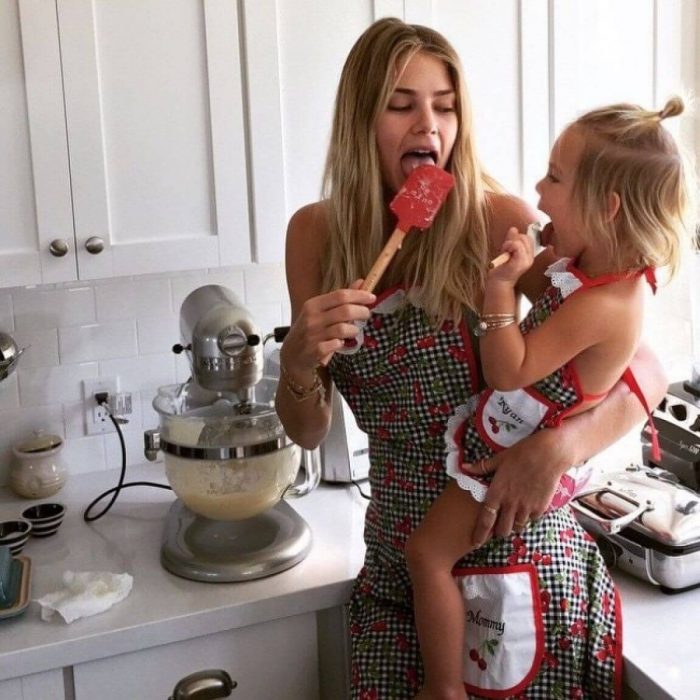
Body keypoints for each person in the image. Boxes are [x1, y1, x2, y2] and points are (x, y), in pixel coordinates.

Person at [275, 17, 669, 700]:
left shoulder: (499, 223)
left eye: (445, 105)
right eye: (401, 105)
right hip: (402, 573)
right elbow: (308, 432)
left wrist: (560, 448)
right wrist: (297, 364)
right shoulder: (314, 238)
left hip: (516, 555)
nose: (428, 124)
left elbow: (640, 362)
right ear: (360, 120)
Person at [405, 97, 692, 700]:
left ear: (606, 207)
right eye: (400, 106)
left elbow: (509, 369)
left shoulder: (600, 301)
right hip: (501, 443)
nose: (537, 189)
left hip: (513, 470)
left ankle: (441, 691)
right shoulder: (585, 269)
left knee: (428, 555)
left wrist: (500, 288)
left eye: (554, 177)